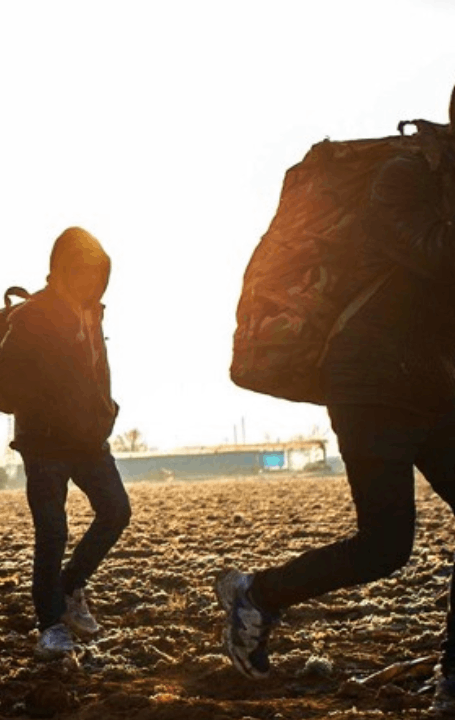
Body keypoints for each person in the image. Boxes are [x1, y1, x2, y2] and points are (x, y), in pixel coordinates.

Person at [217, 88, 455, 709]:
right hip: (370, 378)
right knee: (385, 546)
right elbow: (435, 257)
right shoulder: (406, 174)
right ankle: (256, 595)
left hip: (430, 384)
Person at [0, 226, 131, 660]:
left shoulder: (93, 313)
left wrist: (104, 410)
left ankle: (68, 589)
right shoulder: (33, 315)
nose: (90, 280)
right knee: (52, 531)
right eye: (82, 271)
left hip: (88, 439)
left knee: (116, 511)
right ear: (62, 270)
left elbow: (97, 370)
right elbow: (7, 377)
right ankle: (50, 626)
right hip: (45, 442)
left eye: (97, 273)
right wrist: (51, 406)